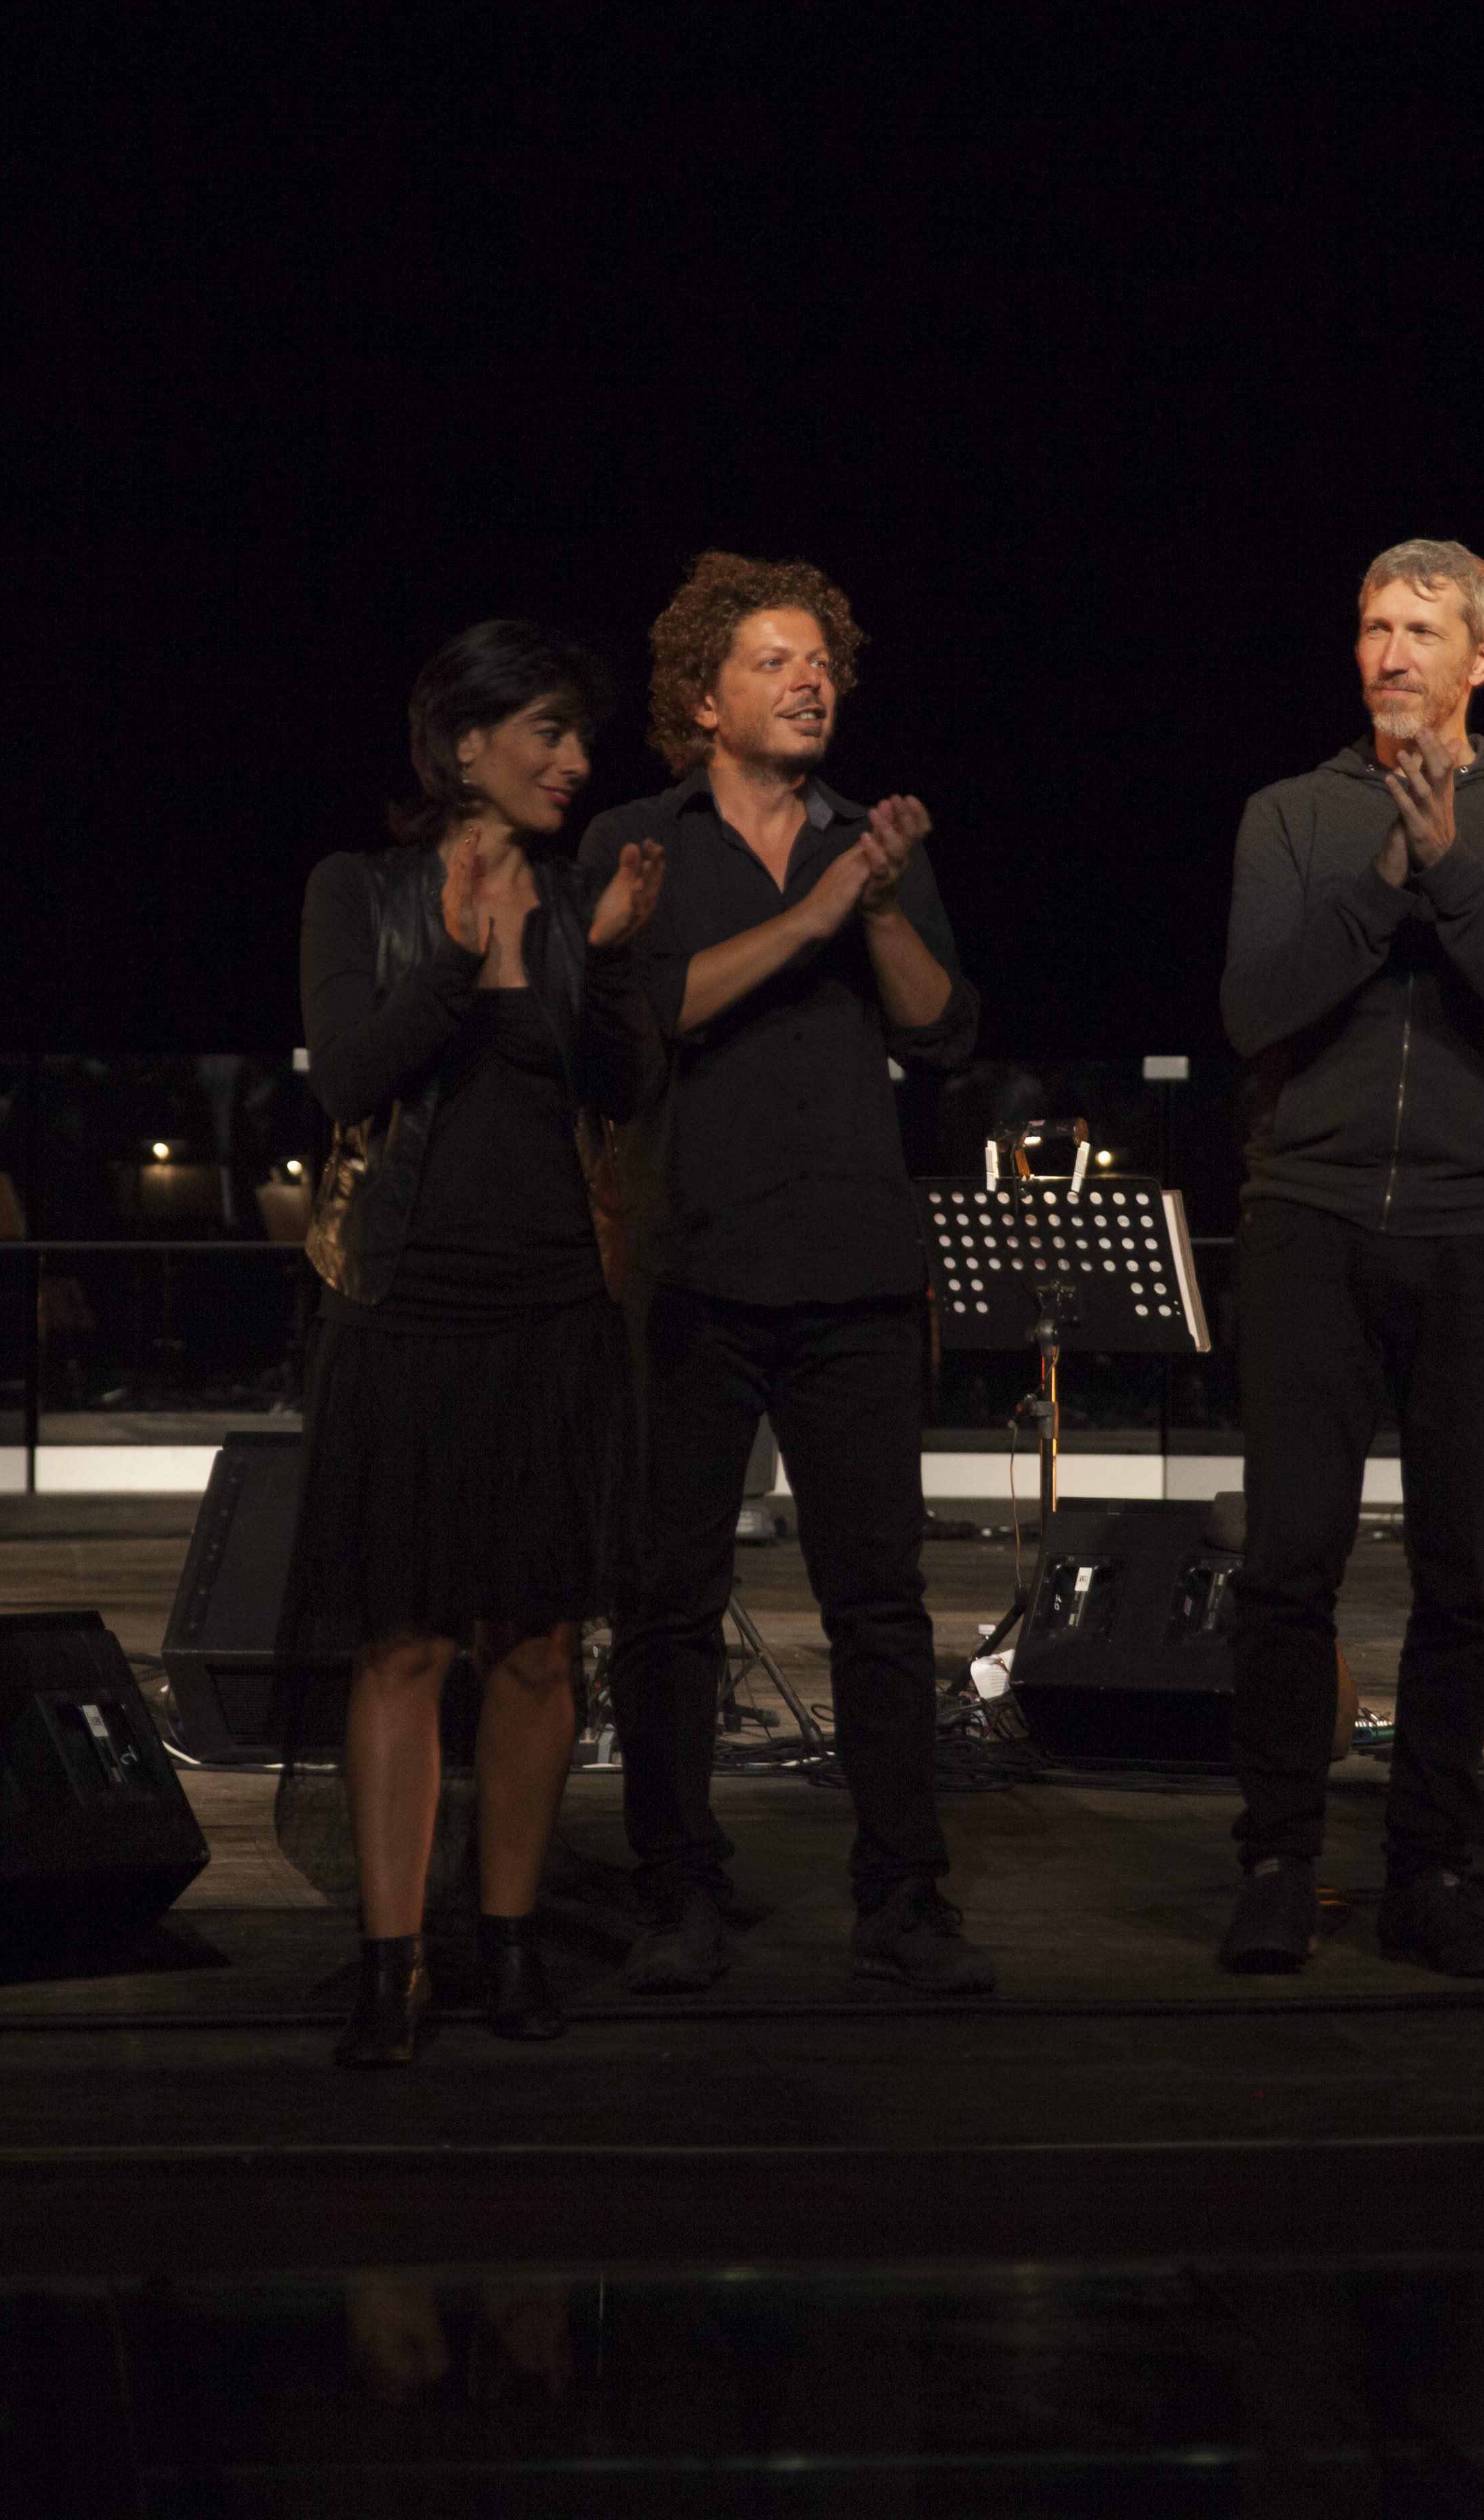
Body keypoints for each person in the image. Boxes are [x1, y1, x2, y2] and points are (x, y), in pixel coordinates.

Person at [576, 553, 992, 1996]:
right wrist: (812, 920)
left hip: (858, 1271)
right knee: (669, 1601)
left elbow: (941, 1029)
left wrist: (872, 903)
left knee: (880, 1602)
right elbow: (654, 1009)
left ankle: (905, 1892)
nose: (810, 680)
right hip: (692, 1270)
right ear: (702, 698)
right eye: (773, 660)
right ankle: (678, 1887)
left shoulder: (869, 840)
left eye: (821, 661)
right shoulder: (637, 841)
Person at [290, 622, 667, 2066]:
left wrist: (613, 961)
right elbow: (349, 1077)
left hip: (557, 1315)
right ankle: (393, 1959)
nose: (578, 763)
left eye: (582, 739)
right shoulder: (361, 891)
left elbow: (622, 1091)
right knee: (402, 1645)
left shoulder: (578, 901)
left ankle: (506, 1936)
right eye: (551, 735)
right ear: (466, 746)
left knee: (537, 1644)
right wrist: (455, 961)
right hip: (405, 1314)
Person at [1214, 540, 1484, 1975]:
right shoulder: (1292, 813)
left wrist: (1452, 865)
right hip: (1307, 1215)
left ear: (1481, 658)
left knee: (1467, 1575)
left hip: (1477, 1231)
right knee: (1288, 1566)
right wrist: (1388, 868)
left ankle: (1430, 1867)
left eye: (1424, 631)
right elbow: (1261, 1005)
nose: (1391, 654)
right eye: (1374, 626)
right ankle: (1275, 1858)